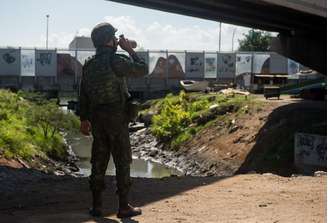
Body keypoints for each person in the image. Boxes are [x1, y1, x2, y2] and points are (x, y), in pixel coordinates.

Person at [79, 22, 148, 218]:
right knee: (122, 161)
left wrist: (84, 119)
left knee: (98, 162)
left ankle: (97, 207)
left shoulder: (89, 64)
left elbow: (83, 93)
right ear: (109, 40)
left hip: (97, 118)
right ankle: (124, 206)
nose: (117, 40)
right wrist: (129, 50)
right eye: (115, 38)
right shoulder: (117, 60)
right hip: (117, 117)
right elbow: (143, 69)